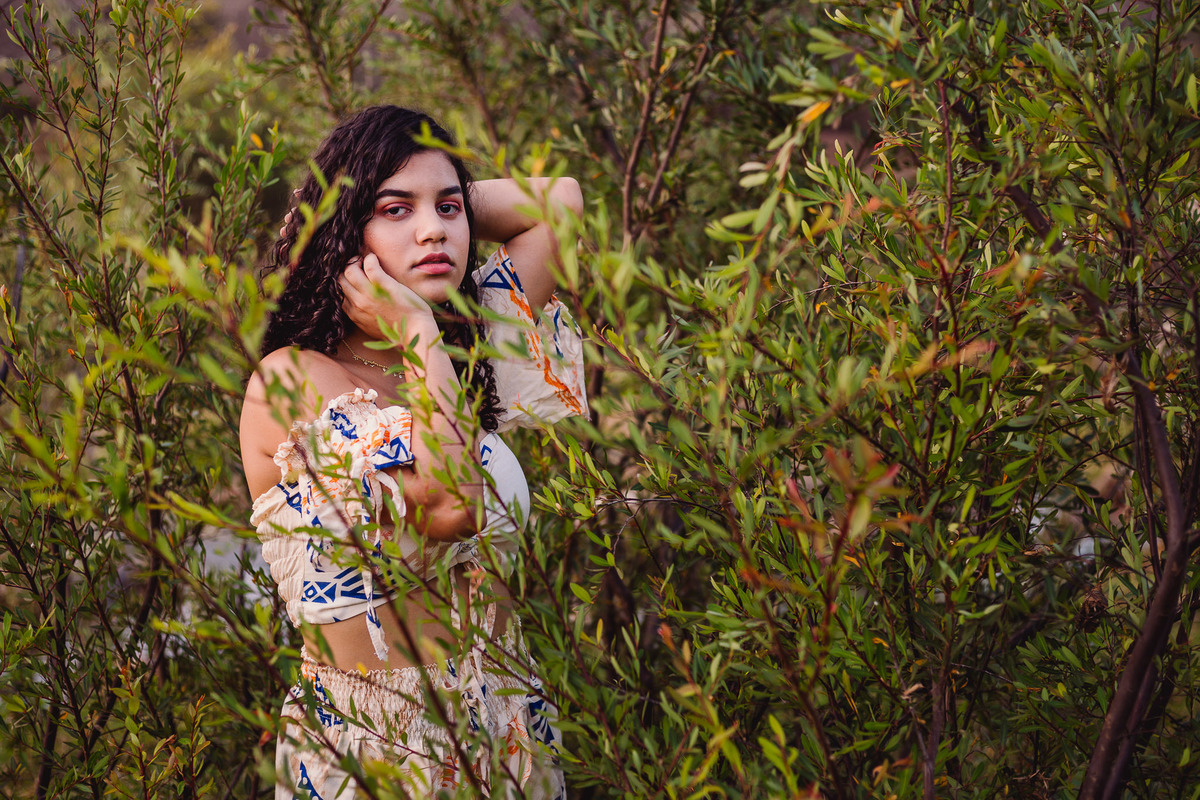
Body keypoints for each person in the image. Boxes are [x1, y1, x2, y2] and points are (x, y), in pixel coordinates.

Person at [239, 105, 586, 799]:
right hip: (381, 748)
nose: (433, 230)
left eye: (448, 210)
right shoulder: (295, 379)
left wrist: (438, 192)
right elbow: (449, 505)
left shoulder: (461, 348)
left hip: (510, 731)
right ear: (345, 235)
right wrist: (418, 332)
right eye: (394, 210)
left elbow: (563, 203)